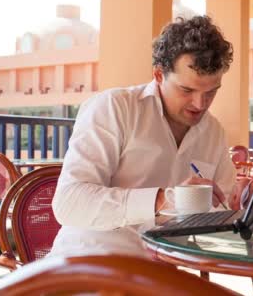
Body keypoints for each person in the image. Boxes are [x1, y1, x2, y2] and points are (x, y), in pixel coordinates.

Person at [50, 16, 239, 257]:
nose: (200, 104)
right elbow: (70, 203)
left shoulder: (214, 132)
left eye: (211, 92)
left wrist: (238, 202)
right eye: (186, 90)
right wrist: (162, 200)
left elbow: (221, 206)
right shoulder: (114, 108)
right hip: (90, 266)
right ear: (159, 75)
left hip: (164, 274)